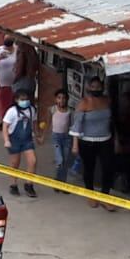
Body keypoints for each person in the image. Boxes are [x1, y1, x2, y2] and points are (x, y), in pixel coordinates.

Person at [70, 76, 116, 210]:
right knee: (89, 168)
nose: (96, 89)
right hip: (87, 142)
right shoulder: (83, 103)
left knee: (108, 168)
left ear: (102, 87)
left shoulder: (107, 100)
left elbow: (111, 121)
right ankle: (90, 194)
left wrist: (116, 139)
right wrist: (75, 144)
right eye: (93, 87)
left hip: (105, 140)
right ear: (88, 88)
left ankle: (105, 196)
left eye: (98, 87)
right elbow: (77, 125)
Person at [3, 87, 42, 198]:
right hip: (14, 140)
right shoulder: (12, 112)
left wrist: (37, 135)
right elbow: (5, 126)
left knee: (33, 161)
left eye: (26, 99)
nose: (25, 101)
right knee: (15, 163)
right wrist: (6, 140)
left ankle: (29, 184)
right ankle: (13, 185)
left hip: (27, 139)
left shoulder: (32, 110)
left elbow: (33, 124)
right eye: (22, 99)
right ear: (16, 100)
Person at [0, 36, 18, 127]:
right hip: (3, 83)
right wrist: (0, 57)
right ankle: (4, 122)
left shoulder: (17, 50)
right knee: (5, 104)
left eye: (8, 47)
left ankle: (14, 123)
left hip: (15, 82)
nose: (6, 48)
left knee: (15, 103)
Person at [50, 88, 73, 190]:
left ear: (67, 99)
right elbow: (48, 123)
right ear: (55, 99)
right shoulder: (52, 109)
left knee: (65, 161)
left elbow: (72, 125)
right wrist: (42, 136)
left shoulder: (70, 111)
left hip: (67, 138)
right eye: (59, 98)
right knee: (60, 160)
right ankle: (57, 181)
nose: (61, 100)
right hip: (56, 137)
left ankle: (62, 183)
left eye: (64, 98)